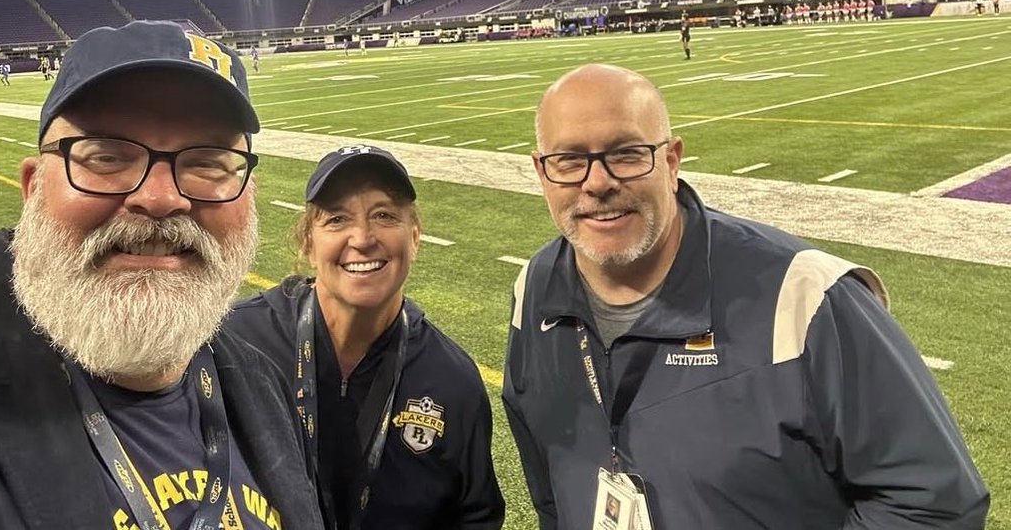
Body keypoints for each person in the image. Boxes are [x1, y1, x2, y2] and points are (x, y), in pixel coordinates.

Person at [0, 21, 325, 529]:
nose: (162, 198)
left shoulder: (260, 383)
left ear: (247, 194)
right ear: (33, 188)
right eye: (106, 156)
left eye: (210, 162)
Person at [502, 63, 989, 530]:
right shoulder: (535, 288)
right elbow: (550, 489)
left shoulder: (806, 298)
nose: (598, 181)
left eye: (627, 153)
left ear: (671, 161)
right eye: (569, 161)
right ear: (542, 172)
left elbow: (932, 501)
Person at [230, 145, 504, 530]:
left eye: (384, 215)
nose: (362, 237)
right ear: (309, 243)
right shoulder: (237, 343)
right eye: (337, 219)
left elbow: (474, 517)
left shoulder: (451, 379)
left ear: (415, 237)